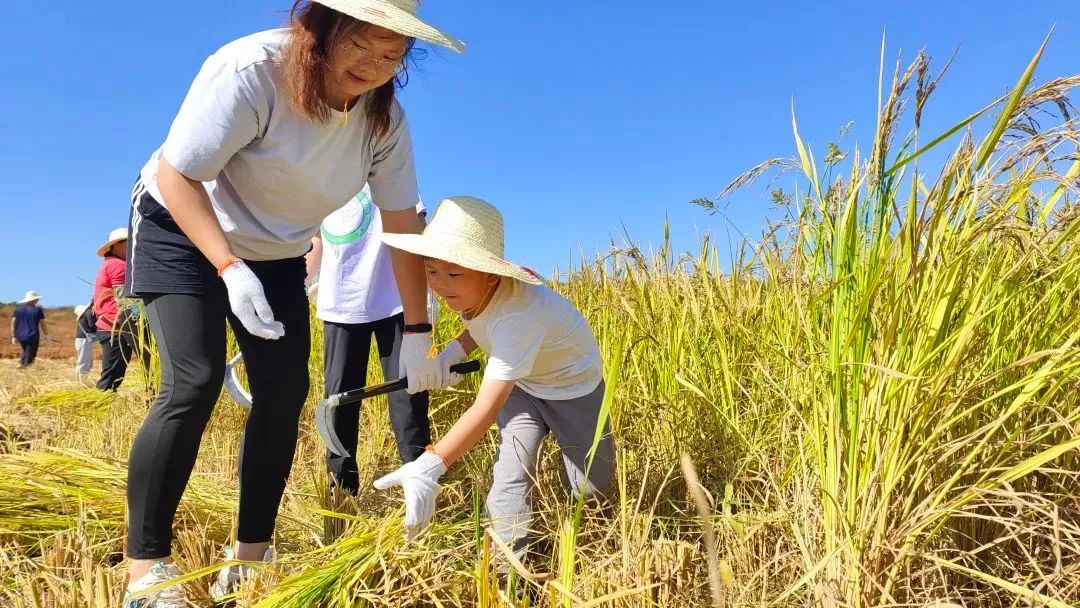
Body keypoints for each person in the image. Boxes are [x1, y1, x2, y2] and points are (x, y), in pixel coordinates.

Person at [119, 2, 465, 606]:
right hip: (181, 224)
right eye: (362, 45)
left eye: (392, 56)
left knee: (282, 396)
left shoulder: (384, 123)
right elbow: (179, 178)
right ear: (322, 30)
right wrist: (227, 267)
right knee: (194, 382)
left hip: (275, 252)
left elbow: (403, 225)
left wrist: (416, 330)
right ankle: (147, 570)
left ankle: (250, 555)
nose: (375, 66)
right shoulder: (252, 71)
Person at [374, 197, 617, 567]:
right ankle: (506, 573)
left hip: (574, 390)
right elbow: (479, 324)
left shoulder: (519, 315)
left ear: (489, 274)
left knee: (590, 487)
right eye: (432, 270)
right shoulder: (476, 295)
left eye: (454, 274)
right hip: (525, 390)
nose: (440, 284)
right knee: (510, 475)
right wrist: (450, 356)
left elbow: (485, 408)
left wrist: (432, 464)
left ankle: (592, 553)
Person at [305, 185, 431, 495]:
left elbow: (417, 227)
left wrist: (427, 288)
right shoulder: (321, 174)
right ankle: (341, 497)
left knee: (408, 398)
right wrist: (302, 280)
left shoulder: (387, 165)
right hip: (340, 304)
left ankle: (420, 486)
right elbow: (316, 238)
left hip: (397, 301)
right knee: (338, 404)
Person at [94, 228, 149, 391]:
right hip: (116, 327)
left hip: (113, 326)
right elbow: (124, 301)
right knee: (111, 376)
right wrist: (142, 317)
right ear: (116, 245)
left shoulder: (109, 264)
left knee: (114, 373)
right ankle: (101, 404)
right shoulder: (118, 266)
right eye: (128, 242)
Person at [10, 291, 49, 368]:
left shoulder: (18, 309)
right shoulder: (38, 310)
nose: (37, 300)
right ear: (33, 300)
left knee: (26, 351)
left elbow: (13, 323)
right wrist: (47, 335)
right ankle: (25, 369)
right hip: (32, 336)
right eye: (37, 299)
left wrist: (13, 336)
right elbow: (42, 324)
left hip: (20, 336)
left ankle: (21, 365)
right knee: (31, 354)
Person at [74, 303, 95, 377]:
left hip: (80, 340)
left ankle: (82, 377)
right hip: (84, 340)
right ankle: (80, 378)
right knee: (84, 360)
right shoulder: (88, 312)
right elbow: (91, 325)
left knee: (83, 359)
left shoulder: (82, 317)